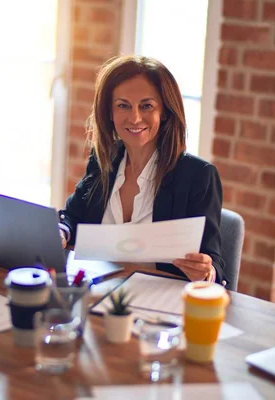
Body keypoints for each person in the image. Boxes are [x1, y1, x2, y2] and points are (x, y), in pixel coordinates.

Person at [58, 55, 226, 285]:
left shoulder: (198, 176)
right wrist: (62, 232)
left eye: (146, 106)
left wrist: (205, 271)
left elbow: (214, 267)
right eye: (123, 105)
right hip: (97, 294)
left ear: (165, 111)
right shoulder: (103, 159)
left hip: (159, 305)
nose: (135, 117)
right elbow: (71, 217)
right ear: (109, 112)